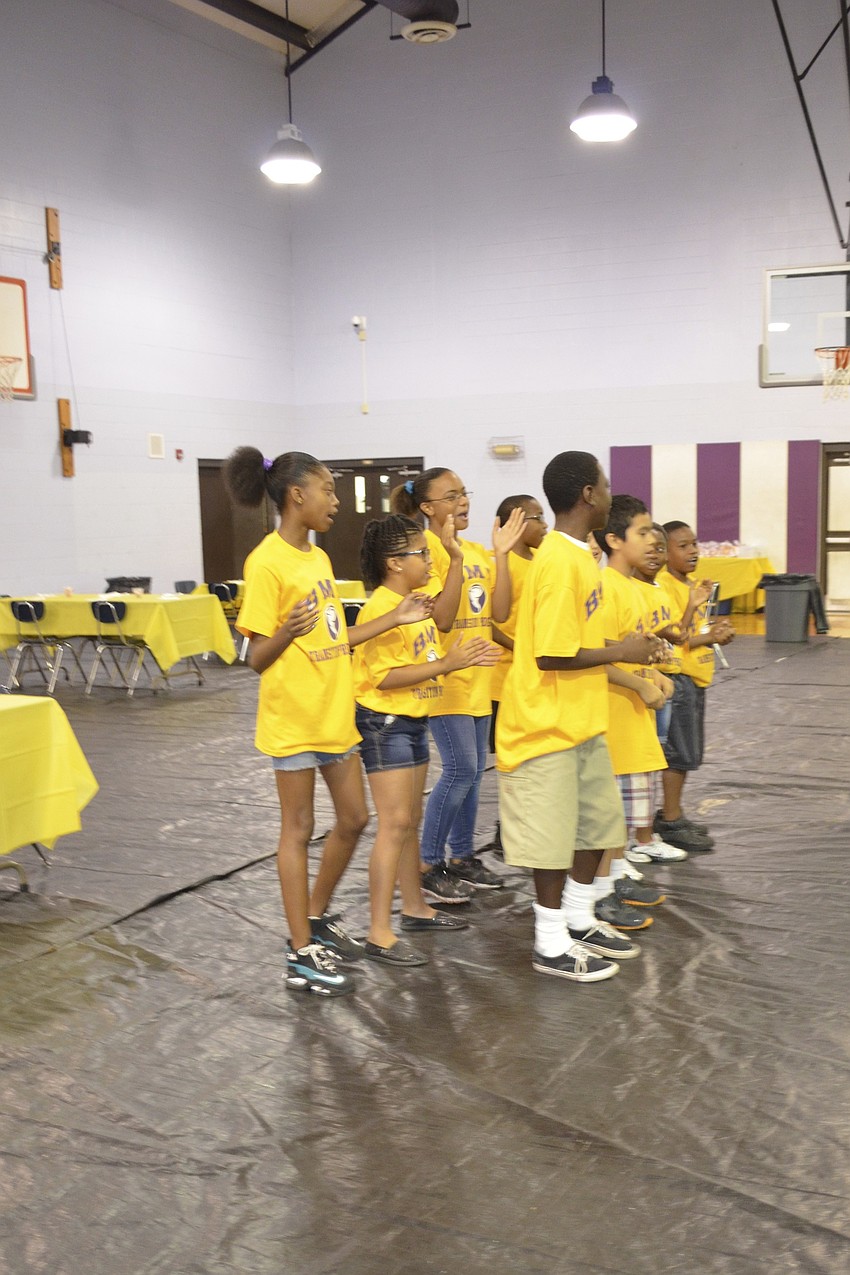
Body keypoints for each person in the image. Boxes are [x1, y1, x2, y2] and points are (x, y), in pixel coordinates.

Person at [226, 448, 430, 997]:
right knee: (297, 830)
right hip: (293, 718)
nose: (336, 502)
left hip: (334, 712)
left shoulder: (315, 560)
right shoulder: (265, 562)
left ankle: (314, 916)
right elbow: (255, 659)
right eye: (328, 491)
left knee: (355, 818)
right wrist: (286, 633)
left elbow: (336, 639)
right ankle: (299, 951)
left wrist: (394, 616)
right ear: (297, 495)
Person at [496, 452, 664, 982]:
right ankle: (549, 944)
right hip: (545, 724)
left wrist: (628, 646)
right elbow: (551, 653)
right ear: (588, 496)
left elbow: (581, 640)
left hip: (583, 718)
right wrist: (626, 654)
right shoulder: (558, 562)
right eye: (606, 485)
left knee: (596, 828)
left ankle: (576, 918)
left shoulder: (578, 557)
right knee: (551, 841)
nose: (611, 493)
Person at [353, 514, 501, 965]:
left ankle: (415, 906)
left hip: (411, 721)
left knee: (409, 820)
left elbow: (441, 627)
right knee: (395, 824)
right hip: (387, 724)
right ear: (394, 563)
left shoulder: (413, 602)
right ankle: (380, 931)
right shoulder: (382, 607)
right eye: (420, 553)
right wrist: (446, 665)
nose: (427, 559)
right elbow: (387, 676)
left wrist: (452, 657)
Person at [392, 470, 526, 903]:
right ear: (428, 508)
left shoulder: (476, 552)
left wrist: (502, 556)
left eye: (464, 493)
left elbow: (498, 611)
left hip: (479, 676)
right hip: (445, 676)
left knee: (472, 775)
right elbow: (443, 619)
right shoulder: (426, 551)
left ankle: (464, 856)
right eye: (451, 496)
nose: (463, 501)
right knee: (460, 770)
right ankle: (429, 862)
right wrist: (451, 560)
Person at [592, 496, 678, 912]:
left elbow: (633, 650)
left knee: (623, 815)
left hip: (633, 721)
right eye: (642, 533)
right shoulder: (607, 587)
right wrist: (641, 686)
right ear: (613, 539)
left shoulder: (633, 589)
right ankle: (606, 884)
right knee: (609, 815)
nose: (651, 541)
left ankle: (618, 870)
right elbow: (596, 656)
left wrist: (655, 677)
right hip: (614, 721)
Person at [655, 521, 735, 852]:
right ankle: (670, 819)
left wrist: (715, 629)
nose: (693, 552)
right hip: (678, 678)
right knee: (678, 754)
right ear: (665, 552)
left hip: (695, 677)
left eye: (695, 544)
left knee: (687, 752)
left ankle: (674, 813)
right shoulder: (664, 585)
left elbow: (693, 630)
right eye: (683, 546)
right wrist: (709, 636)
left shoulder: (689, 585)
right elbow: (673, 635)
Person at [483, 493, 549, 858]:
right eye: (538, 518)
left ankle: (525, 824)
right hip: (503, 678)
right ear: (516, 525)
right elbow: (490, 621)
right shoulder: (499, 565)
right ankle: (506, 830)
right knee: (511, 759)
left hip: (534, 675)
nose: (545, 525)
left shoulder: (542, 560)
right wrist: (520, 647)